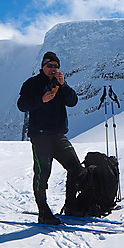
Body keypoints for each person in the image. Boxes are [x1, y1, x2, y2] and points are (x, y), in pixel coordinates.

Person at [17, 52, 86, 224]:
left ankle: (71, 205)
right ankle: (43, 212)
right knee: (42, 173)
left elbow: (73, 102)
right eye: (50, 66)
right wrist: (41, 99)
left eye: (56, 66)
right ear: (43, 66)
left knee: (76, 169)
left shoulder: (60, 84)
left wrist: (64, 85)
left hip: (58, 135)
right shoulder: (32, 84)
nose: (53, 69)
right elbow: (22, 105)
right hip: (40, 136)